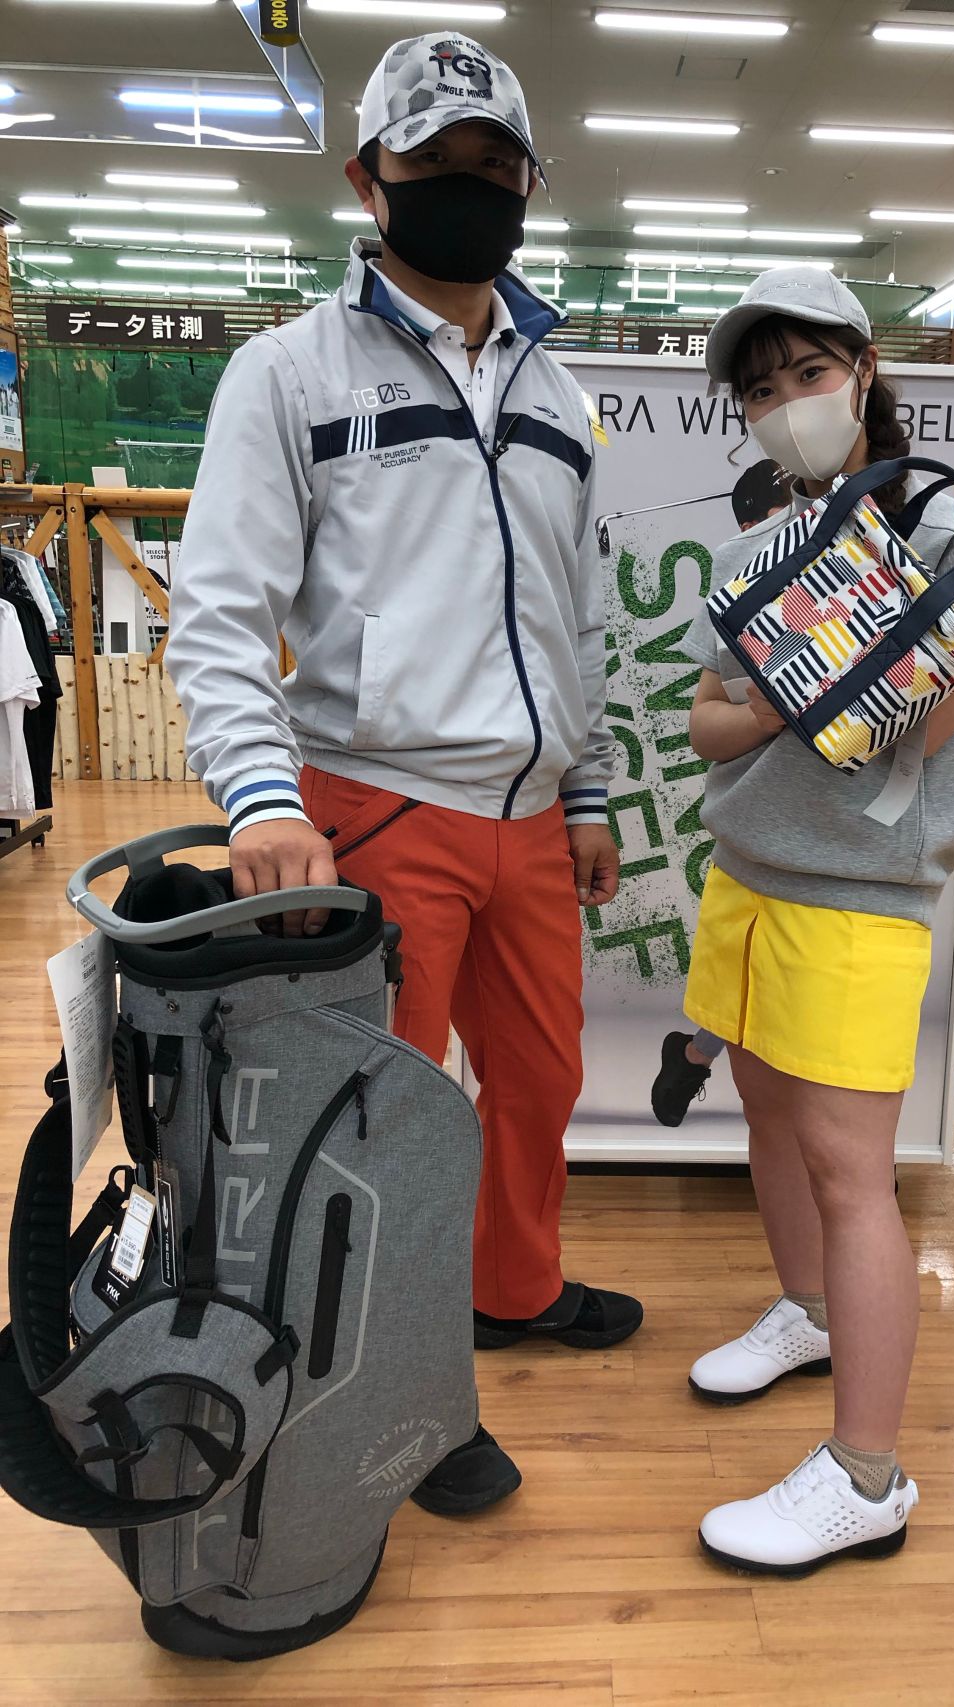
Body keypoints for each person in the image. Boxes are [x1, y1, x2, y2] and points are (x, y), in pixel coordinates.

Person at [165, 31, 643, 1519]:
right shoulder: (287, 372)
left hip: (531, 819)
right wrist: (262, 797)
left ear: (529, 182)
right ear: (366, 177)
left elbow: (576, 618)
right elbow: (220, 612)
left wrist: (588, 791)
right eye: (433, 161)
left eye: (496, 163)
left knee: (539, 1083)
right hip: (373, 807)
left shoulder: (559, 394)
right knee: (374, 1131)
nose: (468, 185)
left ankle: (515, 1286)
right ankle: (396, 1398)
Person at [678, 266, 954, 1576]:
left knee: (849, 1171)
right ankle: (807, 1312)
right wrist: (775, 701)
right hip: (747, 875)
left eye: (810, 374)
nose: (787, 404)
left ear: (865, 371)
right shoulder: (758, 549)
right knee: (766, 1113)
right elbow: (705, 722)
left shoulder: (943, 528)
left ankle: (866, 1475)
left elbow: (929, 729)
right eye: (761, 389)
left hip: (857, 896)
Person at [650, 458, 789, 1128]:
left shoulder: (906, 545)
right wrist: (762, 715)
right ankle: (693, 1056)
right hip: (752, 846)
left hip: (855, 869)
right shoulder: (741, 567)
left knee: (756, 995)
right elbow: (704, 722)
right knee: (740, 985)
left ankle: (692, 1055)